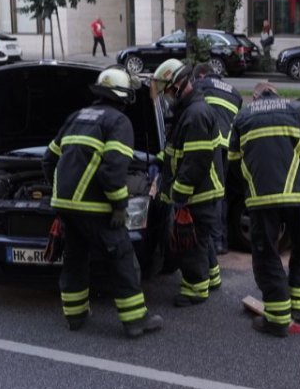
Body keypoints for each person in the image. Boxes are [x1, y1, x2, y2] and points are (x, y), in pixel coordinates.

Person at [42, 67, 163, 338]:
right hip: (96, 208)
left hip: (65, 207)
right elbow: (112, 170)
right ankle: (135, 321)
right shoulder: (118, 122)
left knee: (75, 258)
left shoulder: (76, 117)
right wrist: (120, 205)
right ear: (124, 96)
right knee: (122, 258)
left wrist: (61, 193)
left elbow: (49, 160)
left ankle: (75, 317)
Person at [229, 82, 300, 336]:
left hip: (261, 199)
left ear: (255, 96)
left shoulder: (243, 116)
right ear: (276, 93)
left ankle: (276, 319)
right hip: (298, 196)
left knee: (266, 254)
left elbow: (232, 160)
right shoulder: (297, 110)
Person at [151, 59, 224, 306]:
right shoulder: (188, 111)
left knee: (191, 244)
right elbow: (177, 151)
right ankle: (211, 278)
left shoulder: (195, 114)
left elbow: (195, 162)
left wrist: (178, 196)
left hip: (198, 193)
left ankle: (195, 290)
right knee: (202, 240)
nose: (168, 96)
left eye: (169, 91)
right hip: (199, 191)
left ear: (180, 84)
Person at [191, 63, 242, 260]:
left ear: (202, 74)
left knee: (208, 193)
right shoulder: (235, 92)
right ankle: (222, 241)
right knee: (222, 193)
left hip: (210, 143)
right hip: (228, 146)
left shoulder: (201, 84)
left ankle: (213, 241)